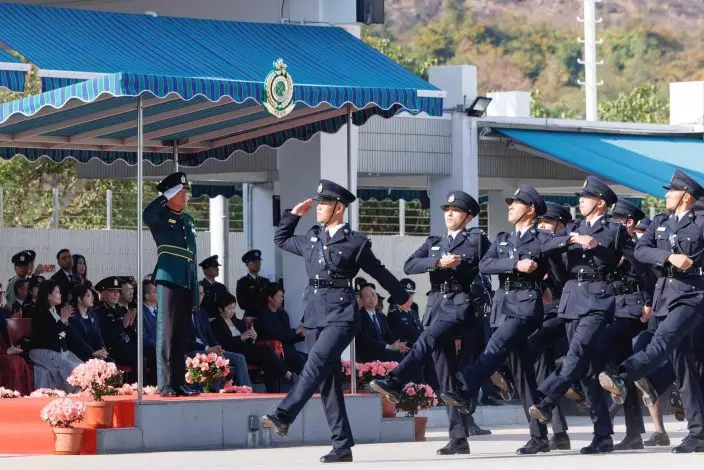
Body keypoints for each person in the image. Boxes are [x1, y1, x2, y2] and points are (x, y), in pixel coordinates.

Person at [261, 179, 411, 463]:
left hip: (341, 315)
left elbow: (379, 272)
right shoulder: (312, 237)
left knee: (315, 363)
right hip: (314, 313)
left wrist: (402, 297)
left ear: (339, 207)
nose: (319, 207)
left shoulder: (355, 242)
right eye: (319, 203)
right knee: (327, 381)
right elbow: (280, 239)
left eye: (325, 203)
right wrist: (293, 215)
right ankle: (342, 445)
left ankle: (284, 414)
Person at [436, 185, 555, 454]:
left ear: (531, 209)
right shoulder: (503, 238)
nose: (510, 206)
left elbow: (557, 264)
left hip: (526, 306)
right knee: (523, 373)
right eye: (510, 202)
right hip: (503, 307)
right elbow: (485, 265)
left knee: (496, 346)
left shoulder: (542, 238)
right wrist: (515, 265)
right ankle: (539, 437)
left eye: (516, 203)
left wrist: (548, 284)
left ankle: (465, 390)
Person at [371, 190, 490, 456]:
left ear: (468, 217)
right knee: (445, 373)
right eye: (447, 209)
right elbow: (409, 265)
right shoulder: (435, 242)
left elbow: (492, 262)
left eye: (456, 210)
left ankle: (395, 380)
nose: (449, 213)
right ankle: (458, 438)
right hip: (436, 306)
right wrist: (438, 262)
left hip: (459, 305)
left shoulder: (476, 240)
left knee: (426, 340)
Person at [599, 169, 704, 453]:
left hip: (693, 294)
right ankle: (699, 433)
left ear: (686, 196)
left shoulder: (701, 222)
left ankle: (624, 376)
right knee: (684, 367)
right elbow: (642, 251)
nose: (667, 195)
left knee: (662, 341)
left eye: (672, 191)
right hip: (665, 296)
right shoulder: (660, 222)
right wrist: (669, 256)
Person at [529, 176, 627, 454]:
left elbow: (622, 259)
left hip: (598, 299)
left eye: (586, 197)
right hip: (572, 300)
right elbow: (544, 246)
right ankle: (603, 435)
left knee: (576, 352)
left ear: (601, 202)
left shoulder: (614, 229)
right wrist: (572, 238)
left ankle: (546, 399)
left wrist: (595, 246)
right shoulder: (572, 229)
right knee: (588, 372)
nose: (580, 201)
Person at [590, 200, 657, 451]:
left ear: (629, 222)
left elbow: (649, 275)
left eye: (617, 220)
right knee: (622, 371)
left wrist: (649, 302)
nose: (612, 224)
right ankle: (634, 433)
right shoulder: (610, 245)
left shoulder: (638, 246)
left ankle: (648, 383)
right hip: (614, 305)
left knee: (603, 345)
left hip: (634, 308)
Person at [144, 171, 199, 397]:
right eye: (181, 191)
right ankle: (164, 383)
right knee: (166, 333)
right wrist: (164, 197)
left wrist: (194, 288)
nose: (186, 196)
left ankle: (178, 382)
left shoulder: (188, 220)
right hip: (168, 276)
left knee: (181, 334)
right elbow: (147, 215)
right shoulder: (160, 216)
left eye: (186, 191)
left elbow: (192, 255)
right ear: (171, 194)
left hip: (186, 278)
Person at [525, 201, 572, 450]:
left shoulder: (567, 247)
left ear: (561, 225)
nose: (542, 227)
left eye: (548, 223)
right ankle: (558, 432)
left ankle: (575, 390)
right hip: (543, 312)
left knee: (577, 365)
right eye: (540, 222)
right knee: (541, 370)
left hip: (566, 312)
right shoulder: (537, 247)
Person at [189, 287, 253, 389]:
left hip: (209, 349)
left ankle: (247, 389)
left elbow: (210, 335)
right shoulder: (182, 312)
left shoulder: (203, 312)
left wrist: (218, 347)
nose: (201, 296)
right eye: (199, 293)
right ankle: (214, 389)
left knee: (239, 358)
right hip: (194, 350)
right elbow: (186, 340)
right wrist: (207, 348)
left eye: (202, 294)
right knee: (219, 360)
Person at [28, 279, 84, 392]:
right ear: (48, 295)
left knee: (81, 366)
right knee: (70, 368)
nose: (60, 295)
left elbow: (61, 335)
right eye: (57, 292)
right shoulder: (40, 312)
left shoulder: (55, 312)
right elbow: (50, 335)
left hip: (58, 350)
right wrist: (63, 320)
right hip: (44, 350)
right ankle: (72, 396)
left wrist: (65, 323)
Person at [257, 283, 307, 374]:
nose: (281, 299)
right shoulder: (264, 315)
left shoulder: (283, 314)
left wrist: (301, 335)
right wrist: (295, 331)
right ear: (270, 298)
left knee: (310, 358)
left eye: (282, 296)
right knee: (300, 359)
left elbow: (288, 336)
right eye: (279, 296)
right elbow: (274, 334)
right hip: (275, 351)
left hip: (288, 349)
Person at [94, 277, 138, 372]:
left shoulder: (122, 310)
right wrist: (122, 326)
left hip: (127, 347)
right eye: (112, 291)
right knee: (139, 359)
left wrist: (130, 326)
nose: (116, 294)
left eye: (118, 291)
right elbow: (107, 337)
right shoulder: (99, 313)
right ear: (102, 293)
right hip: (113, 351)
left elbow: (131, 335)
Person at [355, 283, 407, 363]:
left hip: (384, 350)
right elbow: (366, 340)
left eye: (373, 295)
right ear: (361, 300)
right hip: (370, 353)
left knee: (407, 353)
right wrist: (389, 346)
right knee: (398, 356)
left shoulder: (381, 316)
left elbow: (388, 334)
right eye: (367, 297)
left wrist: (397, 344)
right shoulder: (359, 317)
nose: (372, 299)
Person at [68, 284, 110, 362]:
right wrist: (92, 353)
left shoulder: (93, 315)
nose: (92, 298)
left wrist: (103, 350)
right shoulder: (72, 317)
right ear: (79, 299)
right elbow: (77, 341)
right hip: (79, 355)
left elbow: (98, 336)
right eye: (88, 295)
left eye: (92, 295)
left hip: (95, 354)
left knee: (111, 363)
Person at [236, 250, 270, 316]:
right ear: (247, 264)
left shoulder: (265, 281)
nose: (257, 264)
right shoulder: (242, 282)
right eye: (254, 262)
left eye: (259, 262)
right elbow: (242, 304)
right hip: (250, 317)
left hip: (265, 316)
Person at [199, 255, 229, 319]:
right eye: (213, 267)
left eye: (217, 266)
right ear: (205, 270)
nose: (217, 269)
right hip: (206, 321)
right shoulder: (200, 287)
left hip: (221, 321)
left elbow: (228, 304)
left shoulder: (222, 287)